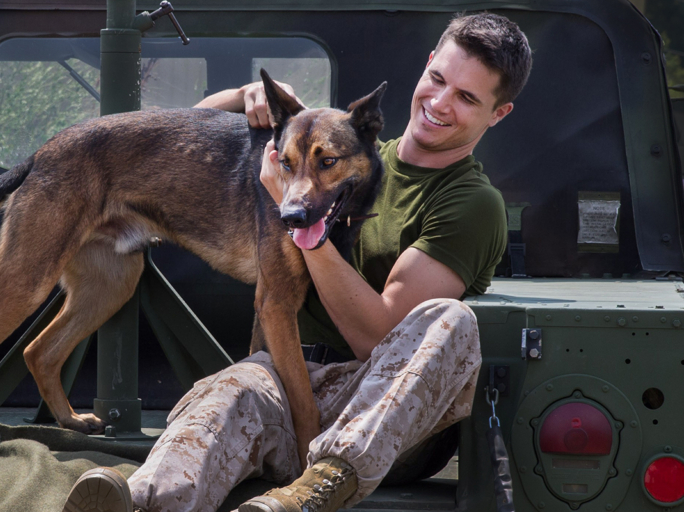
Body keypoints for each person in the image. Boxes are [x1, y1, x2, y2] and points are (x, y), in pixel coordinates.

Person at [63, 12, 531, 512]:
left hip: (383, 418)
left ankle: (315, 491)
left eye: (466, 97)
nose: (439, 103)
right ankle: (136, 503)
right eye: (437, 79)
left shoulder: (469, 203)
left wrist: (303, 228)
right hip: (290, 389)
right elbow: (173, 153)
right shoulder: (329, 150)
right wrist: (243, 95)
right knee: (229, 390)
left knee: (450, 321)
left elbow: (379, 340)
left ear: (498, 113)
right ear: (427, 64)